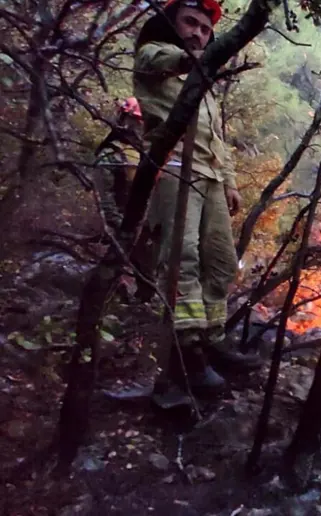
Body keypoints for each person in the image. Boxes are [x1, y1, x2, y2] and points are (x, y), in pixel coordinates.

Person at [134, 0, 261, 399]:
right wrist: (199, 57)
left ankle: (211, 339)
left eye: (206, 30)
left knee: (222, 261)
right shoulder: (153, 52)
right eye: (191, 24)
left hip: (209, 175)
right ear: (172, 24)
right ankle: (188, 354)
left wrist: (230, 181)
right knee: (181, 259)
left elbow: (216, 138)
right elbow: (162, 62)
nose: (198, 33)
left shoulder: (203, 82)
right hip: (172, 168)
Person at [93, 98, 156, 303]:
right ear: (124, 118)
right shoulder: (110, 153)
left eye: (142, 121)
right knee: (113, 273)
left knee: (150, 277)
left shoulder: (147, 152)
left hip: (149, 227)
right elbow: (105, 197)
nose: (139, 125)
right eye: (136, 120)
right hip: (123, 227)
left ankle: (141, 305)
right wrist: (122, 227)